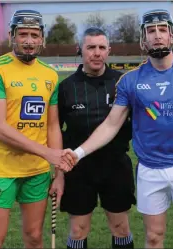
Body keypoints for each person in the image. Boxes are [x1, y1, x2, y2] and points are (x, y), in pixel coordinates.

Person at [63, 9, 173, 249]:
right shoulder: (130, 81)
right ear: (143, 38)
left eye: (163, 30)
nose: (157, 36)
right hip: (149, 170)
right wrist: (77, 153)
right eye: (151, 31)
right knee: (153, 237)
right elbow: (111, 124)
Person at [0, 10, 72, 249]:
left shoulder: (50, 74)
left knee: (34, 237)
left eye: (34, 35)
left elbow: (52, 126)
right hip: (1, 170)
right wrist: (46, 153)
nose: (29, 41)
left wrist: (58, 173)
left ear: (42, 38)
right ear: (12, 35)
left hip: (37, 172)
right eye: (23, 34)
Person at [57, 27, 136, 249]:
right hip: (79, 169)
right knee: (78, 230)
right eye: (91, 47)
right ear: (80, 50)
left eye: (102, 47)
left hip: (116, 166)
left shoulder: (123, 83)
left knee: (121, 227)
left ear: (108, 51)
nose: (97, 53)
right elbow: (55, 133)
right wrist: (58, 174)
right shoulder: (66, 88)